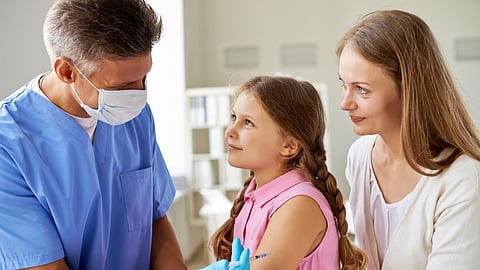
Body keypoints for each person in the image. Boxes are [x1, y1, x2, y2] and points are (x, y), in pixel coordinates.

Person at [0, 0, 187, 269]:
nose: (138, 93)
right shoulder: (8, 147)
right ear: (66, 71)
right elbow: (42, 264)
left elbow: (155, 220)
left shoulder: (136, 117)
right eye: (122, 86)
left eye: (144, 78)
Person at [337, 9, 480, 270]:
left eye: (361, 89)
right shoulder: (359, 156)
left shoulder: (462, 180)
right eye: (343, 85)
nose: (344, 103)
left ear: (409, 88)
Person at [204, 75, 367, 269]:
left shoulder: (300, 205)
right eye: (234, 117)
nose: (230, 130)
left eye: (248, 122)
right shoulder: (252, 194)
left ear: (289, 146)